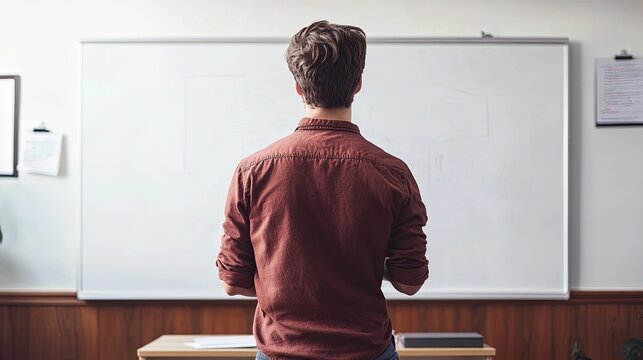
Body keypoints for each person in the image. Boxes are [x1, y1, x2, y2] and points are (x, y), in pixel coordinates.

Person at [216, 20, 428, 360]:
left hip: (280, 351)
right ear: (357, 85)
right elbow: (409, 282)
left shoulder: (252, 171)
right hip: (365, 351)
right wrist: (365, 262)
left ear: (298, 88)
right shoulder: (392, 173)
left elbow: (233, 282)